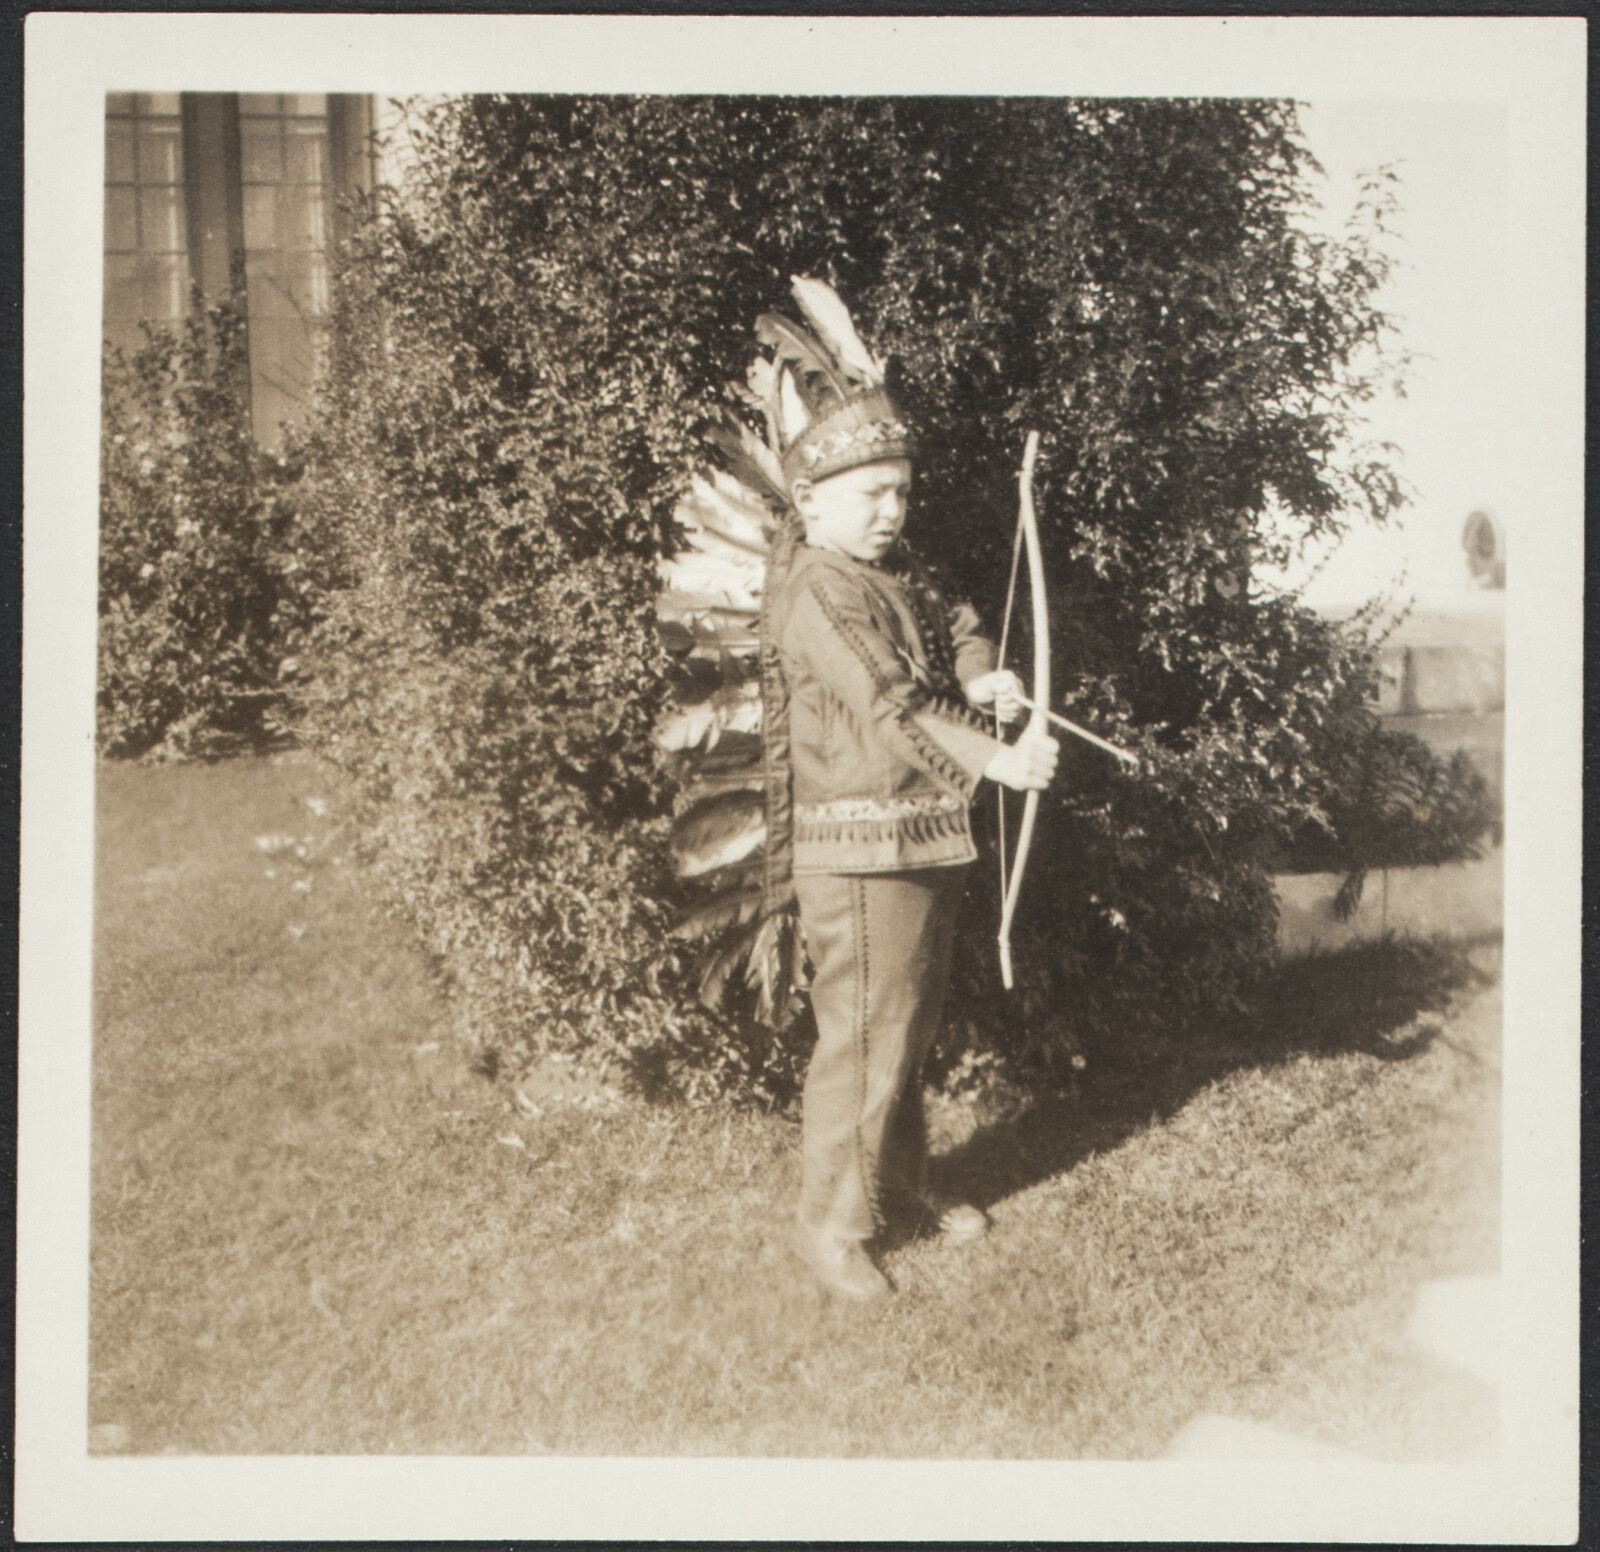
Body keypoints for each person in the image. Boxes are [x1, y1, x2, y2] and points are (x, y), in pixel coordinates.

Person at [750, 287, 1060, 1302]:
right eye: (871, 495)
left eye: (901, 493)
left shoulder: (893, 568)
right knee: (867, 1039)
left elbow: (958, 616)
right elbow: (883, 703)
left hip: (920, 836)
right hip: (855, 851)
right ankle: (833, 1228)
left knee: (906, 1033)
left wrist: (978, 676)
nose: (893, 511)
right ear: (812, 501)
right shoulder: (815, 590)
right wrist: (992, 758)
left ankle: (898, 1192)